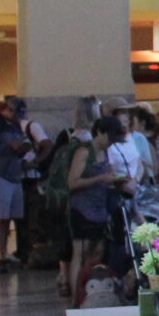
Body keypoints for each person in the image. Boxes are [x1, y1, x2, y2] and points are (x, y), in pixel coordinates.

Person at [63, 114, 127, 293]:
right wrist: (100, 178)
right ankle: (77, 294)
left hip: (99, 209)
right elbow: (72, 182)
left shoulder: (105, 152)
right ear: (100, 132)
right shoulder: (84, 152)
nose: (111, 142)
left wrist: (116, 181)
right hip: (81, 209)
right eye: (110, 137)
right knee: (80, 253)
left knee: (97, 253)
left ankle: (90, 291)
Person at [0, 96, 38, 272]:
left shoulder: (15, 125)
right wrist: (8, 147)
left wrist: (22, 151)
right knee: (0, 216)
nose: (19, 116)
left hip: (13, 173)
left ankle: (5, 253)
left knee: (11, 215)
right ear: (7, 110)